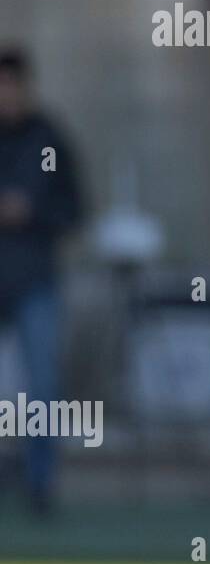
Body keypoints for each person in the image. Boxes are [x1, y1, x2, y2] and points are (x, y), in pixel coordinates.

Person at [0, 44, 83, 516]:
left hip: (33, 279)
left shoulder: (48, 139)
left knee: (43, 385)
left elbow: (74, 208)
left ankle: (40, 484)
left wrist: (30, 214)